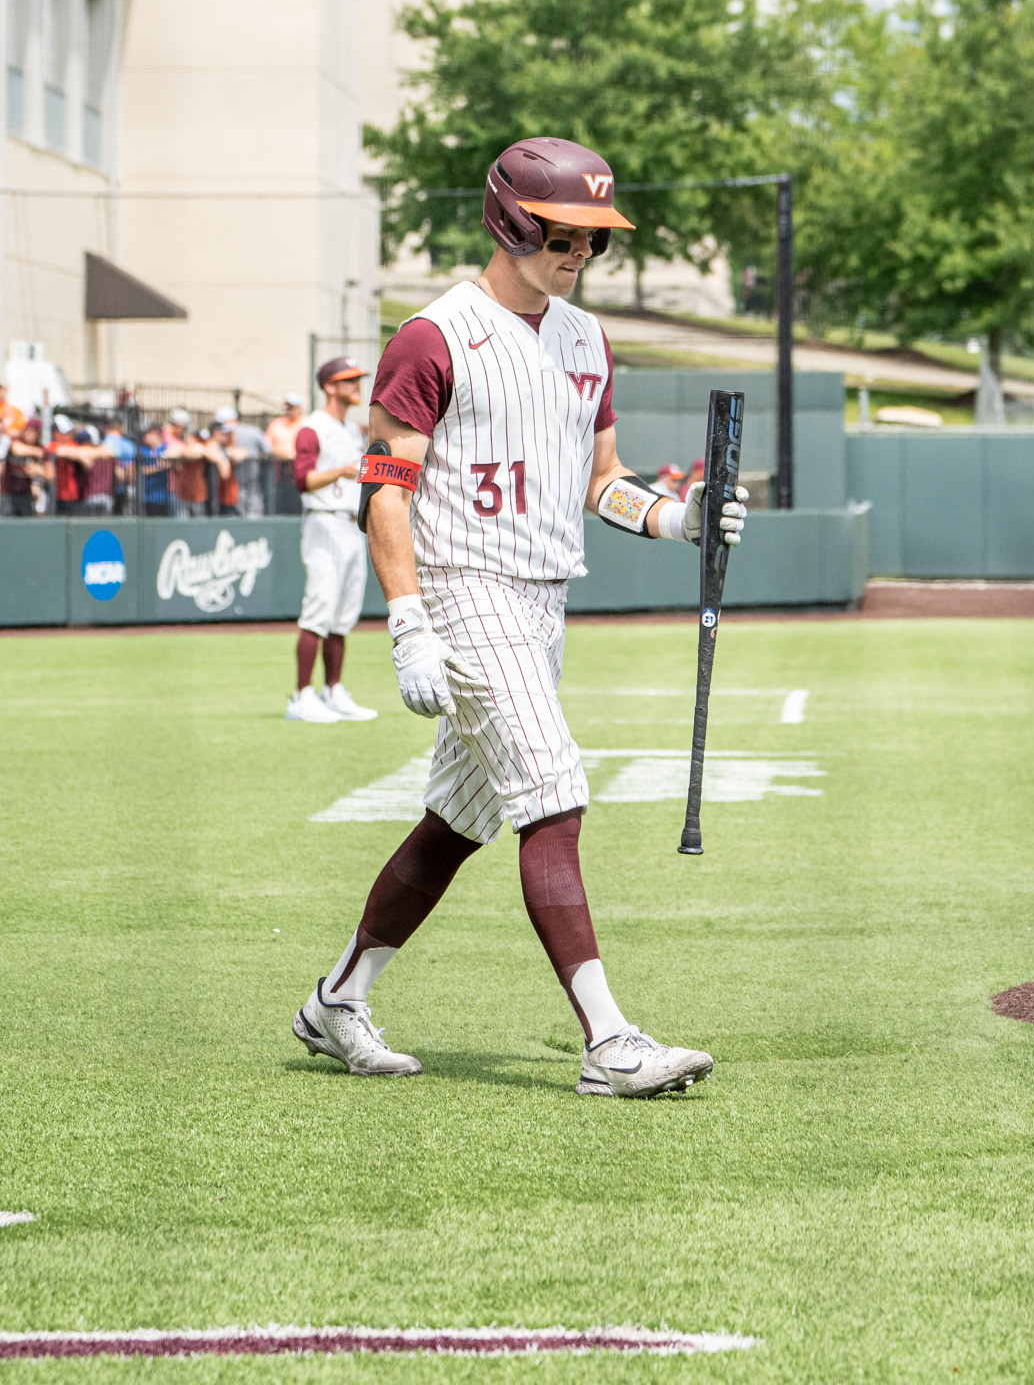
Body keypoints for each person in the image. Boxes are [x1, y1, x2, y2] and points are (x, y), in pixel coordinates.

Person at [292, 137, 747, 1097]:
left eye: (594, 237)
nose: (580, 251)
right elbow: (385, 492)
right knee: (552, 786)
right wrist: (408, 620)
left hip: (545, 601)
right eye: (564, 232)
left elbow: (604, 483)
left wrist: (684, 518)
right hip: (464, 587)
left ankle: (337, 999)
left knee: (456, 821)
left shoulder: (586, 339)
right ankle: (609, 1042)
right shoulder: (431, 336)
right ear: (510, 220)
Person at [285, 356, 378, 724]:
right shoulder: (313, 427)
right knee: (319, 607)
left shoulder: (351, 429)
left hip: (349, 522)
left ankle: (333, 690)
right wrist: (340, 470)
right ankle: (301, 695)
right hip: (323, 521)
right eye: (348, 380)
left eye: (357, 378)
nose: (357, 385)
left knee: (343, 613)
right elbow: (302, 481)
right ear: (329, 386)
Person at [218, 405, 268, 518]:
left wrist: (248, 454)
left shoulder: (251, 432)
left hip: (249, 488)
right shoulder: (221, 440)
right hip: (232, 492)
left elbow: (268, 451)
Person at [264, 396, 306, 514]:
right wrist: (286, 455)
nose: (289, 410)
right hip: (280, 473)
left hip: (301, 472)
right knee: (281, 505)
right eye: (288, 407)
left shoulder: (308, 422)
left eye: (292, 407)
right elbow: (267, 446)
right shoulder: (277, 424)